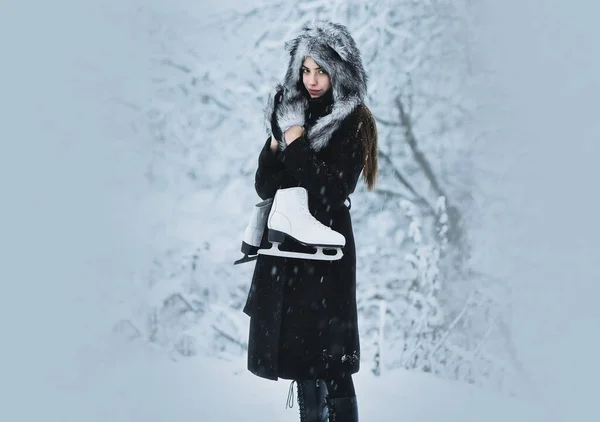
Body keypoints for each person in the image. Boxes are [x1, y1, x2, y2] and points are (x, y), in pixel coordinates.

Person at [242, 20, 378, 422]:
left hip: (326, 249)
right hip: (288, 247)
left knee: (331, 360)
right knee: (303, 360)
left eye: (321, 70)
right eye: (306, 70)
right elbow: (265, 185)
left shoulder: (353, 119)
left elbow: (332, 190)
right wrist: (276, 141)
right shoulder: (292, 113)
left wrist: (297, 141)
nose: (313, 80)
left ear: (340, 71)